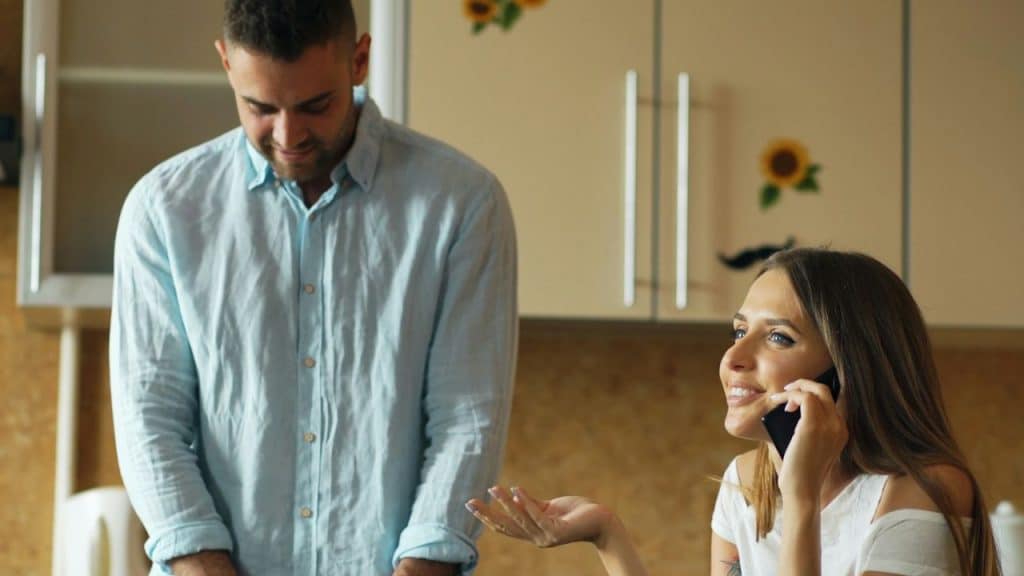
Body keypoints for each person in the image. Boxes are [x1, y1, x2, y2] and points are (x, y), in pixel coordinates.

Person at [110, 1, 517, 575]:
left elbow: (466, 419)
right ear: (226, 63)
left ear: (360, 60)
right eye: (259, 107)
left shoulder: (462, 205)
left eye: (314, 106)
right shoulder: (164, 211)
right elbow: (149, 419)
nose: (288, 135)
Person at [466, 248, 1003, 576]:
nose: (734, 358)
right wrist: (608, 535)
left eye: (777, 337)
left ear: (850, 369)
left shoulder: (925, 490)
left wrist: (800, 494)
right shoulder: (748, 481)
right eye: (739, 330)